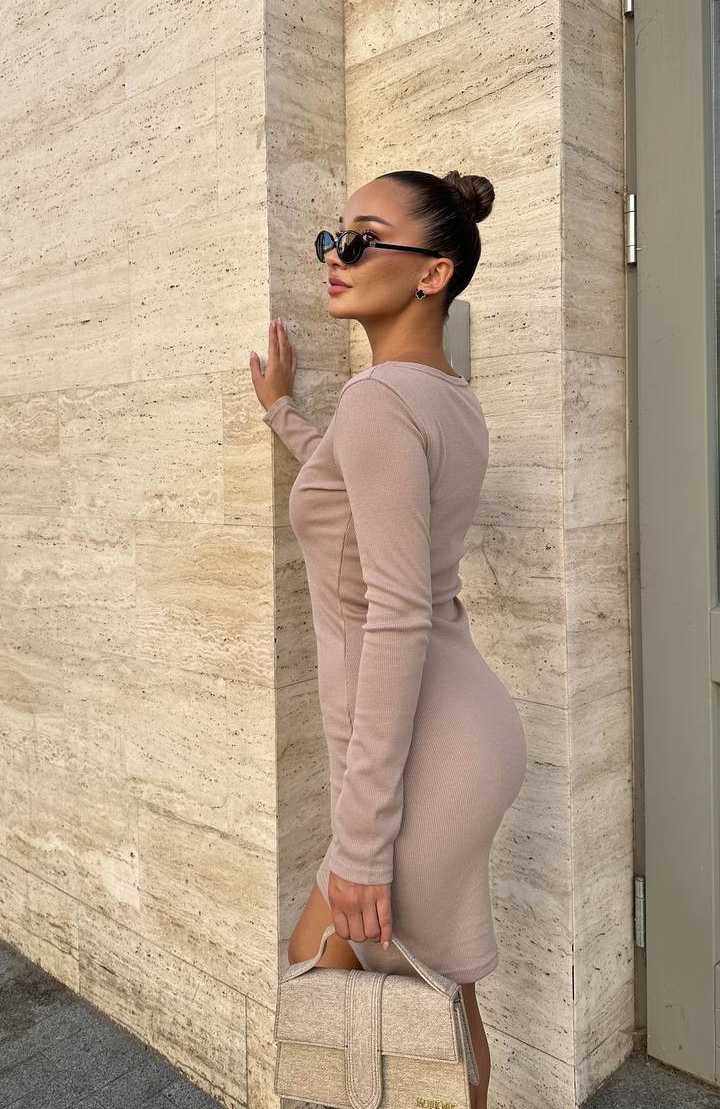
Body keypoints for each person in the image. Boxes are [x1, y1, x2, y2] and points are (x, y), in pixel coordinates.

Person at [250, 170, 528, 1109]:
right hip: (459, 725)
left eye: (362, 239)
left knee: (354, 985)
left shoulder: (380, 402)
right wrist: (284, 414)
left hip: (423, 753)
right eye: (334, 237)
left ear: (432, 273)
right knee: (434, 1009)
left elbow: (397, 614)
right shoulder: (443, 395)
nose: (335, 256)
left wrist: (362, 845)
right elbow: (353, 486)